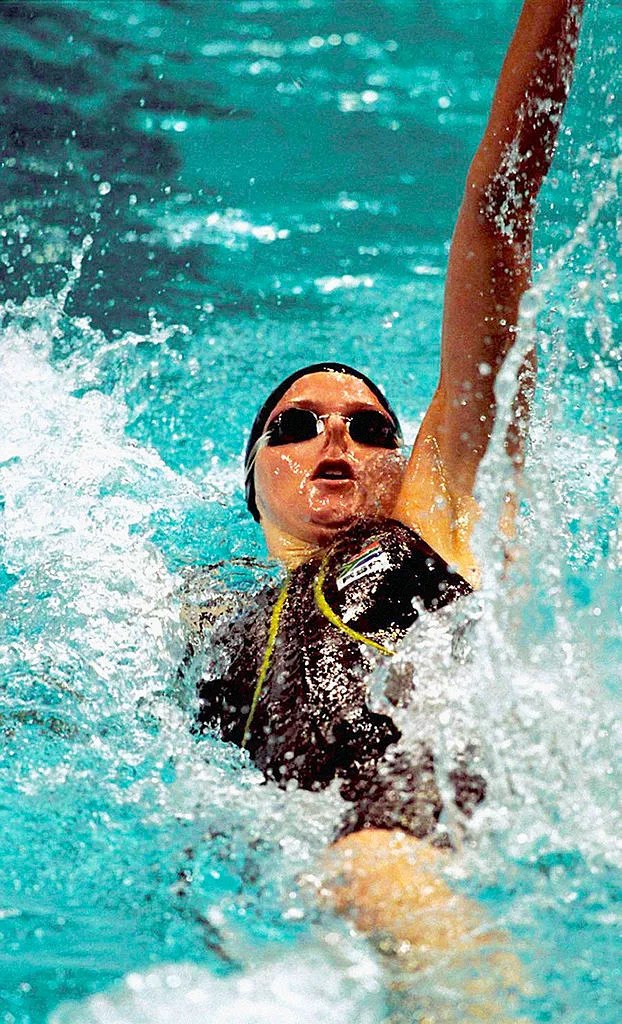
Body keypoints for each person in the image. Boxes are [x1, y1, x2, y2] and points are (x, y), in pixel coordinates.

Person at [183, 0, 585, 1012]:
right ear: (253, 479)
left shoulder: (423, 528)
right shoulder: (204, 612)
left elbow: (497, 223)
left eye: (369, 429)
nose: (336, 438)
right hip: (270, 868)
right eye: (298, 424)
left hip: (389, 825)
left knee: (376, 874)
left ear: (405, 471)